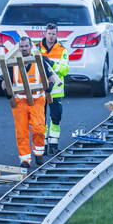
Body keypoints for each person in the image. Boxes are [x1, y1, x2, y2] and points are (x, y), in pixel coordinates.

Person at [5, 36, 56, 170]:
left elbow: (52, 79)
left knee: (39, 128)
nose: (24, 48)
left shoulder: (40, 62)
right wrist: (6, 90)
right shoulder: (13, 64)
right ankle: (25, 159)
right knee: (21, 131)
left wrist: (49, 87)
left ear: (31, 47)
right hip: (20, 101)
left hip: (37, 100)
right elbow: (5, 82)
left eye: (26, 46)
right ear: (19, 48)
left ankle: (38, 153)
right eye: (22, 46)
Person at [38, 23, 70, 156]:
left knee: (56, 117)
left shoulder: (62, 50)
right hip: (40, 90)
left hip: (56, 90)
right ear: (45, 34)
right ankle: (43, 145)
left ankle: (54, 144)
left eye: (54, 34)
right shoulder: (37, 49)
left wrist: (50, 63)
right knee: (41, 119)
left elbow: (65, 70)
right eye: (49, 33)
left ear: (57, 35)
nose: (51, 36)